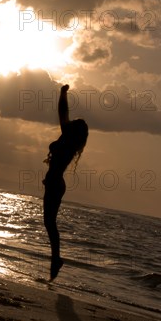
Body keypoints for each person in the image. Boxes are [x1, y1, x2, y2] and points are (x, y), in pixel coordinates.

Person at [43, 84, 88, 281]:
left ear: (74, 131)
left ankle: (56, 259)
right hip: (55, 182)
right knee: (49, 223)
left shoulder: (68, 140)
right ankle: (55, 260)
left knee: (50, 223)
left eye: (73, 123)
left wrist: (63, 94)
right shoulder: (70, 141)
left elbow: (62, 111)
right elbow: (64, 116)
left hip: (55, 183)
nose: (69, 123)